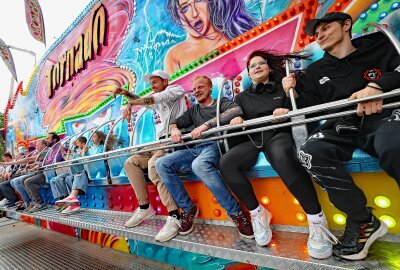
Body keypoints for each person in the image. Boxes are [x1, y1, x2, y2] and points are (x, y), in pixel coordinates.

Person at [281, 12, 400, 260]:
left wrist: (378, 87)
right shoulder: (315, 72)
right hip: (343, 124)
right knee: (308, 152)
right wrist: (290, 94)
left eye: (326, 28)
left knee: (393, 143)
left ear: (347, 25)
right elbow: (305, 108)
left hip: (385, 115)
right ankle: (362, 220)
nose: (320, 35)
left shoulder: (379, 43)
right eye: (317, 32)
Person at [218, 50, 337, 257]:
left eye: (261, 63)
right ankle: (258, 213)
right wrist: (236, 121)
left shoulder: (285, 84)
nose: (257, 67)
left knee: (282, 155)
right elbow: (236, 116)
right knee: (226, 162)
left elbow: (307, 108)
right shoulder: (242, 97)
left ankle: (317, 219)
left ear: (269, 67)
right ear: (249, 73)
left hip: (278, 134)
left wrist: (290, 104)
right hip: (255, 138)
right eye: (252, 66)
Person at [156, 75, 253, 240]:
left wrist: (206, 125)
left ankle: (236, 213)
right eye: (194, 89)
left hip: (216, 145)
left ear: (209, 88)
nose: (196, 91)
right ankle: (187, 208)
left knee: (199, 165)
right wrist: (174, 130)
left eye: (200, 87)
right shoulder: (193, 110)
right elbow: (174, 123)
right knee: (161, 163)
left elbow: (236, 111)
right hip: (196, 148)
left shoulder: (220, 103)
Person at [114, 70, 187, 242]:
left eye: (155, 82)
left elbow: (152, 99)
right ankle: (144, 207)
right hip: (159, 142)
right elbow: (146, 101)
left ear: (165, 82)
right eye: (151, 83)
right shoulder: (158, 99)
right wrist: (127, 96)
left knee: (155, 165)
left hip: (173, 140)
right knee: (131, 162)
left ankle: (175, 214)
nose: (152, 86)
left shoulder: (175, 90)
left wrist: (130, 103)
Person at [165, 0, 257, 73]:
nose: (194, 13)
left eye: (199, 1)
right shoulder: (174, 56)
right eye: (185, 8)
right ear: (176, 16)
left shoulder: (234, 32)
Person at [55, 131, 113, 214]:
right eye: (91, 137)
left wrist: (84, 153)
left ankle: (72, 198)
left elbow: (94, 160)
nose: (92, 139)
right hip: (88, 170)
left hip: (98, 171)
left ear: (100, 139)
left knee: (80, 173)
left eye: (94, 137)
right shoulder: (90, 149)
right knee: (69, 178)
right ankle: (71, 203)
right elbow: (83, 160)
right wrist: (76, 154)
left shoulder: (101, 148)